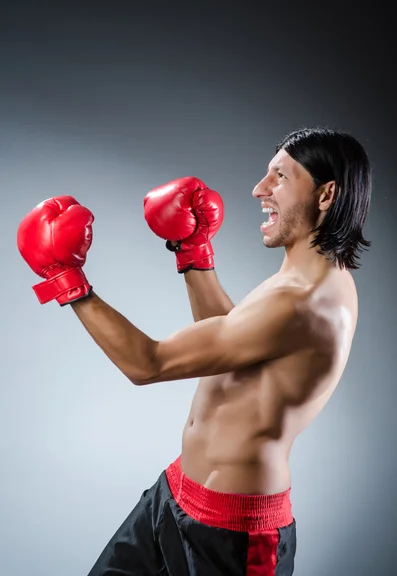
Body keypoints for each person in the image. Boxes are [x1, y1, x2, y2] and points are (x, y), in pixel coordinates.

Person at [17, 127, 372, 576]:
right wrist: (193, 250)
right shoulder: (301, 282)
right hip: (176, 492)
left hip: (234, 537)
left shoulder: (302, 303)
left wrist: (65, 279)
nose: (259, 189)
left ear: (326, 195)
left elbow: (147, 364)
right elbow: (228, 338)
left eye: (279, 177)